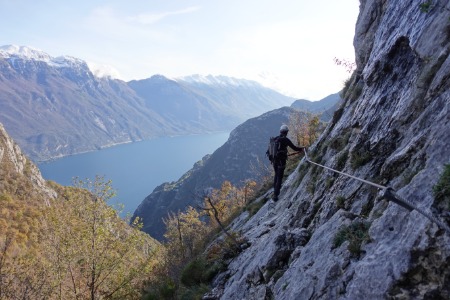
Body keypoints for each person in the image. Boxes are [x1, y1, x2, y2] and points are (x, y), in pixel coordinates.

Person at [270, 124, 304, 203]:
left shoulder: (275, 139)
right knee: (279, 177)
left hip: (274, 160)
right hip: (281, 160)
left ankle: (274, 191)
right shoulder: (285, 140)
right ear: (286, 132)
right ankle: (275, 195)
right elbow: (295, 148)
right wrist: (302, 149)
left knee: (276, 175)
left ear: (280, 131)